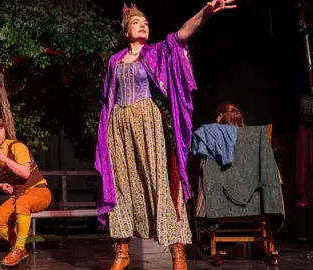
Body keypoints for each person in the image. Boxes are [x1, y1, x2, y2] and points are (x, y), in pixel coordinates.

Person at [95, 1, 237, 269]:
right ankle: (123, 251)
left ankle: (177, 251)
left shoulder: (155, 53)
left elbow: (182, 34)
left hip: (149, 122)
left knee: (161, 183)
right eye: (137, 23)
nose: (143, 25)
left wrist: (204, 13)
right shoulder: (114, 61)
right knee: (122, 187)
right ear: (126, 31)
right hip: (119, 127)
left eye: (146, 23)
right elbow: (107, 100)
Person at [0, 116, 51, 267]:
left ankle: (18, 248)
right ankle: (21, 250)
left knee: (22, 203)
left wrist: (5, 159)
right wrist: (3, 185)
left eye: (0, 129)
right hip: (20, 195)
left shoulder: (16, 146)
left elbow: (25, 173)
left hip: (39, 191)